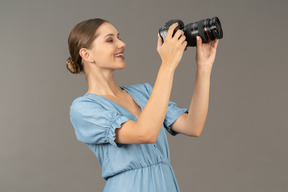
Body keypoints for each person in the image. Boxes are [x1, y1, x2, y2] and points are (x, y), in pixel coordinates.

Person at [67, 18, 219, 192]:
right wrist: (168, 64)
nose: (122, 43)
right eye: (110, 40)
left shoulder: (144, 92)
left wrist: (204, 67)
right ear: (86, 54)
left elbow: (193, 126)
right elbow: (145, 133)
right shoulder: (84, 108)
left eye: (119, 37)